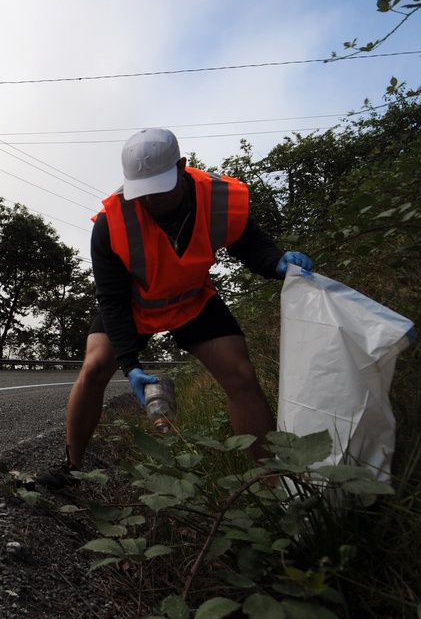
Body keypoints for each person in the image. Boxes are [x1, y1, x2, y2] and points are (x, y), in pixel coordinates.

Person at [37, 128, 312, 489]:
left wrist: (277, 263)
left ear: (182, 167)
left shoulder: (218, 198)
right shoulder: (110, 223)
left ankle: (273, 482)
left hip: (191, 298)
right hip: (135, 305)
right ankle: (71, 468)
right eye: (142, 191)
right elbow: (113, 299)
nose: (151, 199)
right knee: (94, 368)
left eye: (159, 188)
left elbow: (250, 244)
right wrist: (131, 365)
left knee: (241, 375)